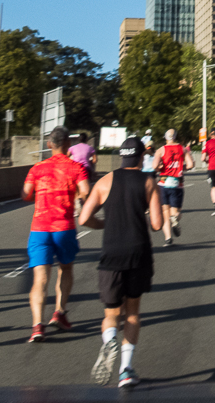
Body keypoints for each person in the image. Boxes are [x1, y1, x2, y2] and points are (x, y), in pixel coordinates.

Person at [79, 137, 161, 389]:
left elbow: (83, 218)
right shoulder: (148, 181)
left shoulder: (104, 181)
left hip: (111, 253)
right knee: (133, 313)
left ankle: (110, 338)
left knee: (111, 313)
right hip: (138, 252)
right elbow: (157, 225)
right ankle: (126, 369)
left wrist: (104, 223)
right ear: (140, 157)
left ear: (121, 156)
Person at [21, 125, 89, 343]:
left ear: (49, 144)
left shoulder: (37, 168)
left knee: (40, 278)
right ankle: (59, 312)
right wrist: (76, 196)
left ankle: (37, 326)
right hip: (64, 228)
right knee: (66, 269)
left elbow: (25, 194)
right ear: (68, 144)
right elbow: (86, 191)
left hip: (39, 228)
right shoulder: (76, 167)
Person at [152, 129, 192, 246]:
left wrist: (160, 168)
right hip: (177, 184)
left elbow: (154, 166)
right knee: (175, 212)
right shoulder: (183, 149)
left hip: (163, 183)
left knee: (165, 212)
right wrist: (181, 168)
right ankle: (175, 219)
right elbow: (190, 165)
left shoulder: (161, 150)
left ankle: (168, 238)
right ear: (175, 137)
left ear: (166, 137)